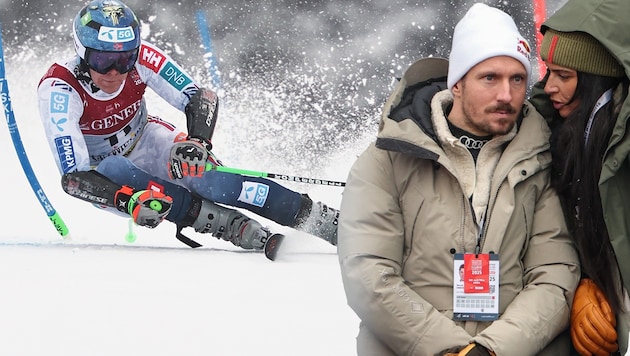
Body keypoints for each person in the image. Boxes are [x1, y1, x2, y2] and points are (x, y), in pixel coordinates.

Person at [337, 3, 581, 355]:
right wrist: (447, 349)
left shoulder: (543, 157)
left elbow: (554, 273)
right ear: (458, 84)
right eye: (489, 78)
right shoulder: (387, 158)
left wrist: (492, 350)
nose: (506, 95)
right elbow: (368, 275)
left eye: (517, 79)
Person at [37, 0, 338, 252]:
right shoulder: (60, 89)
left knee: (214, 183)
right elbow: (75, 178)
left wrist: (198, 141)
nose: (115, 72)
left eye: (125, 59)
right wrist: (127, 201)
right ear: (83, 52)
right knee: (120, 170)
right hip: (105, 177)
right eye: (103, 60)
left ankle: (327, 222)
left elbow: (200, 97)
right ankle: (231, 227)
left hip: (146, 138)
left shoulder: (144, 58)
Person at [529, 0, 630, 354]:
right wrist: (586, 282)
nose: (550, 87)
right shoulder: (555, 132)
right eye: (548, 73)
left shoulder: (619, 139)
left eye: (564, 76)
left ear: (594, 79)